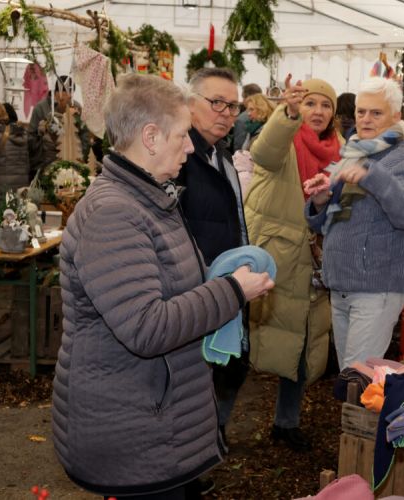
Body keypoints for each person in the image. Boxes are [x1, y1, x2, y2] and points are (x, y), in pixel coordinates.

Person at [51, 74, 274, 499]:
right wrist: (231, 291)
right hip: (132, 427)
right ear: (151, 137)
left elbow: (174, 280)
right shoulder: (112, 214)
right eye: (182, 135)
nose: (190, 147)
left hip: (154, 417)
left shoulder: (150, 197)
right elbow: (146, 327)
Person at [244, 74, 341, 451]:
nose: (317, 111)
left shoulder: (340, 149)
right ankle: (217, 425)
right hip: (273, 254)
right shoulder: (284, 137)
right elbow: (262, 154)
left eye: (325, 105)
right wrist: (286, 112)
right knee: (243, 344)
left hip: (312, 257)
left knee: (300, 341)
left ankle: (287, 423)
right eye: (311, 103)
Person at [304, 77, 404, 370]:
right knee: (353, 377)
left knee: (357, 378)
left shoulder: (403, 161)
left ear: (396, 117)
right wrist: (321, 200)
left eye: (376, 113)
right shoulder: (352, 154)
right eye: (361, 112)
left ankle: (359, 418)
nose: (365, 119)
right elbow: (329, 222)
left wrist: (372, 175)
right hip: (343, 282)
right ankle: (354, 418)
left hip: (377, 288)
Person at [175, 67, 249, 455]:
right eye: (216, 102)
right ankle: (196, 452)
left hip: (226, 288)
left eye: (232, 106)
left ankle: (208, 441)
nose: (225, 113)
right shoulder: (180, 157)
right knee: (195, 382)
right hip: (194, 293)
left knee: (227, 371)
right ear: (189, 104)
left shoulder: (220, 157)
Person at [230, 83, 262, 153]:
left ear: (247, 98)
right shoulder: (268, 115)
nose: (243, 100)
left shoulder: (242, 119)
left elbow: (238, 148)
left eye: (243, 97)